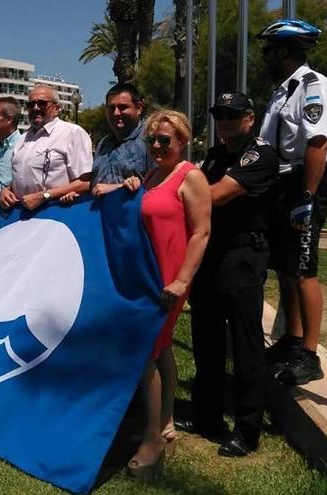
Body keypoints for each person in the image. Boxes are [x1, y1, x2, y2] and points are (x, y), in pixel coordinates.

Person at [182, 93, 280, 458]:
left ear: (249, 119)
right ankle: (206, 416)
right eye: (219, 115)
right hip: (210, 255)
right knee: (206, 342)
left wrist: (178, 195)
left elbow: (214, 196)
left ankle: (247, 427)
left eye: (232, 115)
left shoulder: (259, 155)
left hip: (242, 256)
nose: (223, 121)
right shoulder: (214, 154)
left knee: (246, 346)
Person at [122, 109, 211, 479]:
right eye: (152, 140)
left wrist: (181, 281)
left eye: (165, 140)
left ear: (183, 142)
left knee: (147, 352)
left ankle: (152, 441)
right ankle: (167, 420)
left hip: (170, 278)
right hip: (150, 273)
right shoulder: (153, 174)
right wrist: (129, 186)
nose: (157, 146)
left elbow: (201, 233)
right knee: (163, 349)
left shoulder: (191, 176)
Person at [257, 19, 327, 386]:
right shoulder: (281, 91)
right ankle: (291, 340)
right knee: (286, 268)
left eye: (269, 50)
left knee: (304, 268)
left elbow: (317, 143)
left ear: (285, 51)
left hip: (303, 180)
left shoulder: (312, 85)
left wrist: (307, 195)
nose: (265, 57)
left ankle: (310, 353)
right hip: (281, 182)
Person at [0, 85, 93, 210]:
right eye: (31, 104)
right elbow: (25, 178)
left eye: (42, 103)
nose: (36, 108)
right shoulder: (23, 138)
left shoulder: (73, 133)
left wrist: (44, 196)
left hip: (56, 214)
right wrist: (7, 190)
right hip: (23, 217)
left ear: (57, 108)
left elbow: (86, 182)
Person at [87, 82, 152, 197]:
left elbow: (162, 187)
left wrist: (118, 188)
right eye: (111, 108)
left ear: (138, 108)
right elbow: (95, 184)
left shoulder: (151, 140)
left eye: (123, 107)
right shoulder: (103, 144)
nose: (116, 113)